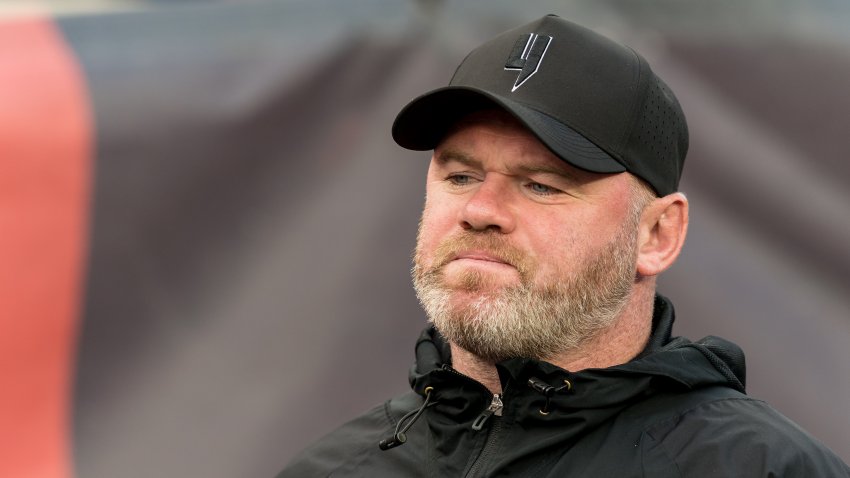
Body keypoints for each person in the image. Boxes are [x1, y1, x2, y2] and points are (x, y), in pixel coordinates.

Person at [278, 14, 850, 477]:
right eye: (460, 176)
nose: (480, 212)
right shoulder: (332, 468)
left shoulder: (763, 469)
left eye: (541, 185)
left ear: (657, 235)